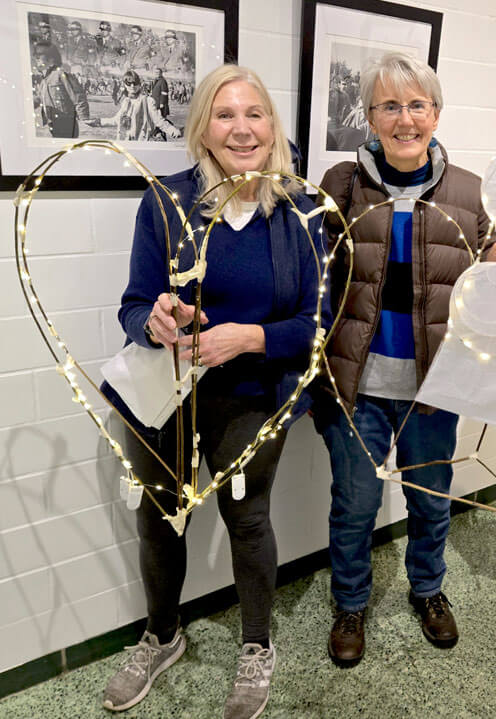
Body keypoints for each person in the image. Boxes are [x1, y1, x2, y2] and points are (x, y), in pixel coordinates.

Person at [100, 64, 330, 719]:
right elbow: (133, 304)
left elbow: (318, 324)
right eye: (225, 114)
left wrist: (246, 338)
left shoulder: (300, 211)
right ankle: (162, 634)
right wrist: (154, 319)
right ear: (202, 127)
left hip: (253, 395)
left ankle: (257, 645)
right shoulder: (165, 202)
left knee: (248, 519)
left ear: (272, 126)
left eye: (254, 113)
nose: (242, 127)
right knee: (159, 518)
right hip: (166, 395)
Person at [313, 51, 496, 667]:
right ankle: (351, 603)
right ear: (371, 117)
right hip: (360, 385)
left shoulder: (469, 191)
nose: (404, 119)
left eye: (417, 105)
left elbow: (485, 289)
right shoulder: (340, 184)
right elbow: (318, 282)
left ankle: (428, 591)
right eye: (389, 106)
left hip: (436, 385)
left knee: (432, 501)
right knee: (353, 505)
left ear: (435, 113)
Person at [97, 70, 181, 141]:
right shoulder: (126, 102)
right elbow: (117, 120)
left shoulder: (148, 101)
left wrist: (173, 131)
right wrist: (99, 122)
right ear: (125, 85)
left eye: (135, 83)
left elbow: (158, 121)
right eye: (129, 83)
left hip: (141, 144)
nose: (132, 86)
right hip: (125, 143)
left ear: (139, 84)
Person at [32, 41, 90, 138]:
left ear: (51, 59)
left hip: (66, 122)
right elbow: (40, 98)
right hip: (53, 122)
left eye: (39, 56)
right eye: (35, 56)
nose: (36, 58)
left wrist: (84, 117)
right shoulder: (45, 79)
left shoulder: (62, 74)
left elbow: (78, 95)